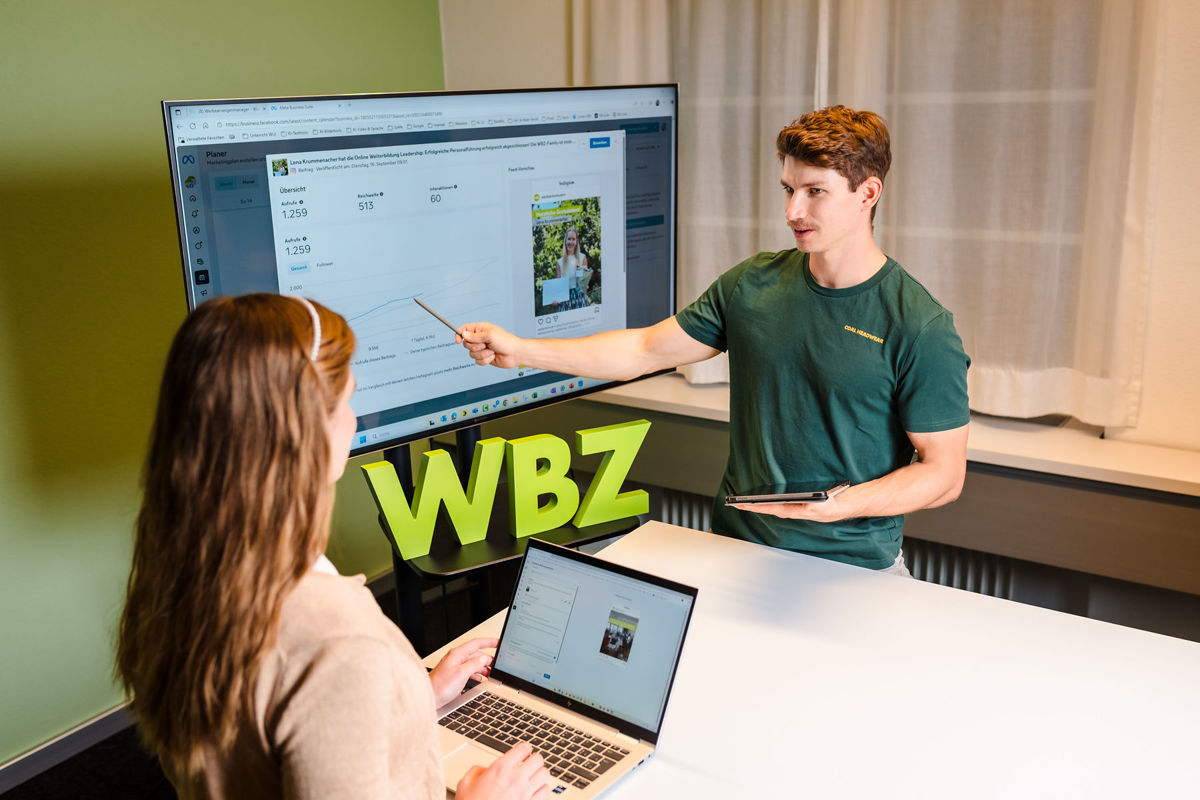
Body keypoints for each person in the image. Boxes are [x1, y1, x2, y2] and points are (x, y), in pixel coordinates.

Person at [458, 106, 970, 575]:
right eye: (788, 190)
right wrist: (519, 350)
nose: (793, 211)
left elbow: (944, 475)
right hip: (735, 550)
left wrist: (838, 506)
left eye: (815, 192)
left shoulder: (919, 326)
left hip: (853, 567)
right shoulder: (753, 284)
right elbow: (644, 350)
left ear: (868, 194)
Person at [116, 294, 549, 799]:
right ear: (303, 433)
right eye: (346, 401)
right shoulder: (337, 639)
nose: (354, 420)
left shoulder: (187, 576)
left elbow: (278, 738)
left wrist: (411, 701)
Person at [555, 226, 591, 309]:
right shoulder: (559, 262)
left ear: (576, 241)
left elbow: (584, 284)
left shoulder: (582, 258)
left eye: (573, 239)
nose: (571, 242)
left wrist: (586, 286)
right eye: (569, 239)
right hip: (565, 301)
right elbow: (558, 288)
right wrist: (555, 299)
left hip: (581, 299)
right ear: (565, 241)